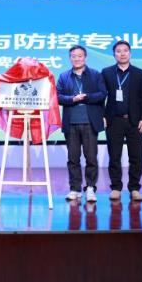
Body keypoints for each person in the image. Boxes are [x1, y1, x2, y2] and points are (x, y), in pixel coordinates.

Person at [56, 45, 106, 203]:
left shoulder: (95, 75)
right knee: (73, 158)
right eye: (73, 56)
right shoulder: (64, 76)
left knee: (91, 158)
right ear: (70, 58)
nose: (76, 59)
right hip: (71, 122)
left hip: (89, 122)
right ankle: (75, 189)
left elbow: (102, 94)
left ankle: (90, 188)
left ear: (85, 57)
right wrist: (72, 99)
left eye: (80, 56)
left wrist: (86, 97)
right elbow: (57, 97)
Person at [101, 41, 142, 202]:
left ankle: (134, 188)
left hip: (134, 121)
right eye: (118, 51)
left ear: (130, 53)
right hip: (114, 121)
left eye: (125, 51)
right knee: (114, 156)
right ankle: (116, 187)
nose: (122, 54)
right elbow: (102, 96)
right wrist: (103, 115)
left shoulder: (139, 73)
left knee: (136, 156)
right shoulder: (106, 72)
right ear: (114, 54)